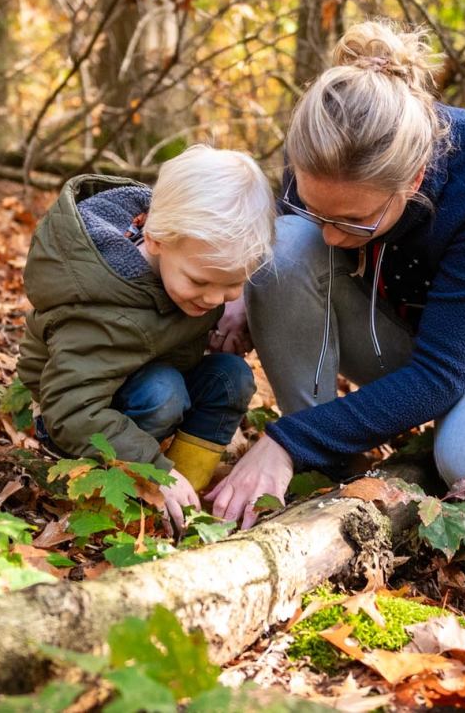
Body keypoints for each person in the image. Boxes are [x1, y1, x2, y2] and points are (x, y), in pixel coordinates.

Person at [205, 20, 465, 532]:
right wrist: (244, 293)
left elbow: (442, 372)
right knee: (282, 247)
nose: (330, 235)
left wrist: (285, 439)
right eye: (317, 209)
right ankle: (327, 468)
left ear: (413, 180)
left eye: (353, 221)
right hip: (395, 326)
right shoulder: (321, 148)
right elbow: (296, 253)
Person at [17, 144, 276, 529]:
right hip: (71, 417)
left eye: (232, 284)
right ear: (154, 239)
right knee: (163, 391)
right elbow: (70, 408)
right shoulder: (101, 299)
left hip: (141, 382)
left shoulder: (184, 263)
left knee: (230, 377)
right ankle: (127, 490)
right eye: (201, 282)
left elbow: (170, 323)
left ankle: (186, 500)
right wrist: (154, 469)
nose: (213, 298)